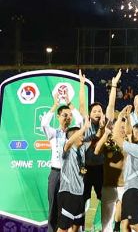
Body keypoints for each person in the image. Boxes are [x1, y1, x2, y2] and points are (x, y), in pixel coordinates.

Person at [43, 88, 85, 231]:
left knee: (70, 208)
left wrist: (69, 103)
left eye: (69, 115)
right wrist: (55, 105)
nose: (68, 118)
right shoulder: (53, 133)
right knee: (54, 206)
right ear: (58, 117)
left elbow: (81, 121)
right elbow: (44, 124)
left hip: (72, 175)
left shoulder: (74, 133)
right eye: (64, 115)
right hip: (56, 173)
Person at [56, 123, 92, 232]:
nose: (83, 137)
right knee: (63, 228)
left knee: (76, 227)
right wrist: (84, 127)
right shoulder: (66, 149)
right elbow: (69, 142)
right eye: (80, 135)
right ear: (73, 137)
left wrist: (103, 129)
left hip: (79, 194)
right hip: (68, 193)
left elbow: (94, 138)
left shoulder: (82, 149)